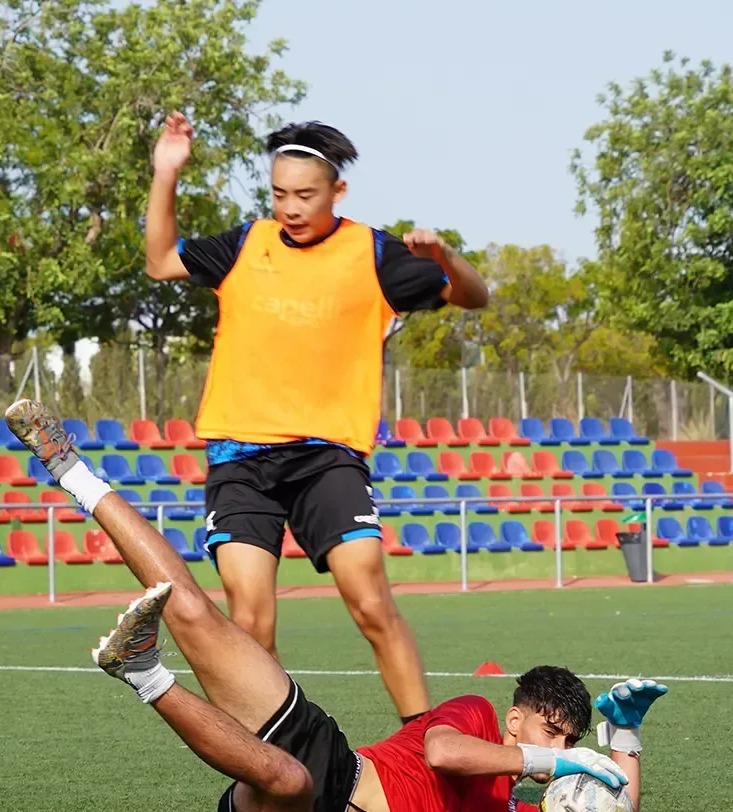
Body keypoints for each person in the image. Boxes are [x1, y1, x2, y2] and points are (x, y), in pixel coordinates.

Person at [7, 398, 667, 812]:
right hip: (334, 755)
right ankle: (69, 468)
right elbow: (442, 755)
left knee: (289, 780)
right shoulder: (468, 718)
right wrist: (556, 762)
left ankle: (142, 671)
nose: (565, 750)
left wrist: (625, 740)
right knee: (194, 612)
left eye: (571, 741)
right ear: (516, 720)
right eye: (555, 733)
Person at [143, 113, 490, 723]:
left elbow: (475, 295)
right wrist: (166, 173)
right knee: (250, 622)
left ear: (337, 192)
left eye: (305, 194)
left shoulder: (374, 253)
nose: (291, 207)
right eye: (279, 193)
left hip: (327, 456)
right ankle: (281, 761)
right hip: (239, 458)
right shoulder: (244, 245)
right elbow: (161, 260)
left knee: (370, 602)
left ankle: (428, 746)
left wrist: (444, 257)